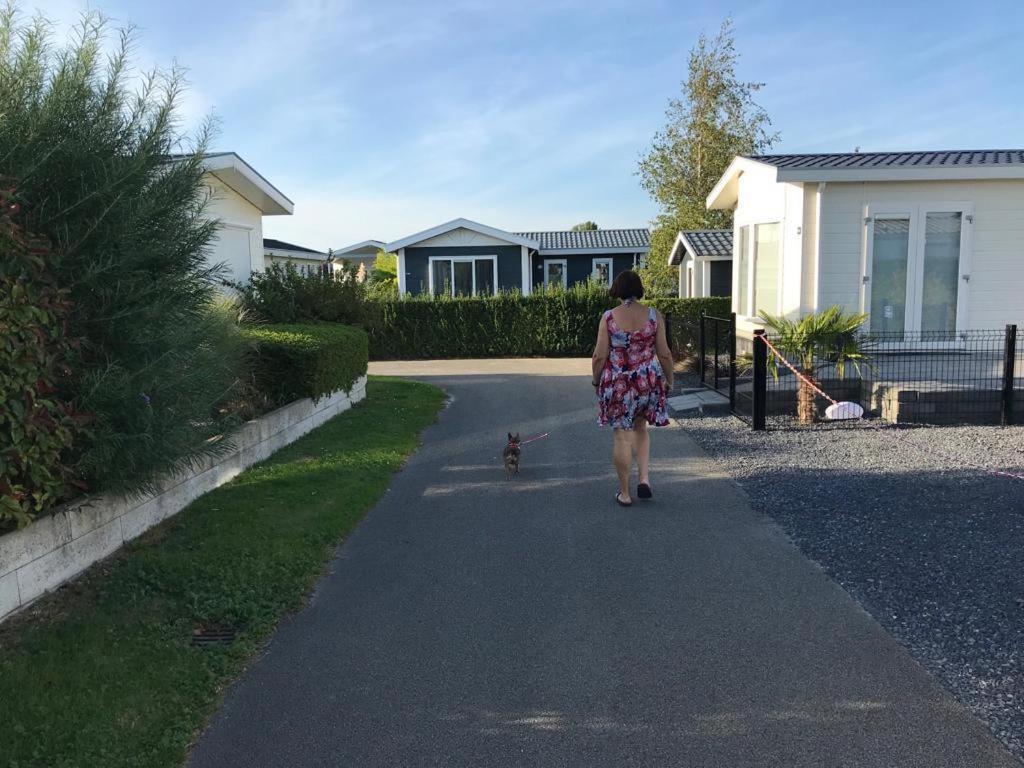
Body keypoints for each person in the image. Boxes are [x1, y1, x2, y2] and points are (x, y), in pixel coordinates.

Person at [591, 270, 673, 507]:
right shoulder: (654, 316)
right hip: (647, 383)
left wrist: (597, 381)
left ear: (617, 290)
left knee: (621, 436)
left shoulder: (608, 318)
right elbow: (664, 353)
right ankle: (645, 480)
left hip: (617, 383)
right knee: (641, 428)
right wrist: (670, 379)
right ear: (638, 289)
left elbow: (599, 355)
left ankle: (625, 493)